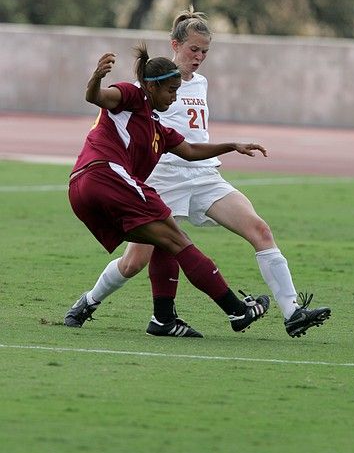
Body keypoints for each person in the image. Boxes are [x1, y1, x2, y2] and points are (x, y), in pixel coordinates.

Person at [65, 7, 331, 338]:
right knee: (136, 262)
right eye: (194, 49)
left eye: (205, 51)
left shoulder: (200, 82)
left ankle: (292, 312)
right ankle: (88, 302)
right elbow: (109, 110)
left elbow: (191, 145)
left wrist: (233, 145)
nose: (199, 57)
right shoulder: (144, 87)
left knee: (259, 229)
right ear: (174, 44)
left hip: (203, 175)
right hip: (163, 177)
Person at [65, 44, 271, 337]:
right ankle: (237, 310)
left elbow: (189, 150)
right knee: (178, 239)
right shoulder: (132, 95)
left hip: (80, 188)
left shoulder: (157, 128)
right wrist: (96, 77)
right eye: (171, 90)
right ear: (151, 86)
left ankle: (163, 320)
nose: (175, 97)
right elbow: (95, 97)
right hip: (107, 176)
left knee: (163, 241)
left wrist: (231, 146)